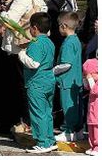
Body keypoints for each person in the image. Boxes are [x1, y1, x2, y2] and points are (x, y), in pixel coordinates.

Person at [20, 13, 57, 153]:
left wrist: (21, 54)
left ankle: (42, 142)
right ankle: (49, 140)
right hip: (49, 81)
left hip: (36, 82)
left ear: (34, 28)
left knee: (37, 113)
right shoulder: (50, 43)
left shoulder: (36, 43)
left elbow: (33, 63)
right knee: (47, 112)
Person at [56, 12, 85, 142]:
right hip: (76, 80)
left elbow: (66, 64)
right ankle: (78, 130)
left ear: (64, 26)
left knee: (68, 107)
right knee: (77, 106)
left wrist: (53, 71)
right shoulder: (76, 40)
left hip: (67, 81)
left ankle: (69, 131)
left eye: (59, 25)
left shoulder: (68, 42)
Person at [85, 57, 99, 155]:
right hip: (92, 109)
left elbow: (95, 91)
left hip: (97, 110)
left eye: (91, 74)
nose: (89, 76)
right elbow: (87, 88)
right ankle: (93, 145)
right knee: (91, 126)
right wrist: (86, 79)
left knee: (97, 127)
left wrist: (90, 79)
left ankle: (98, 146)